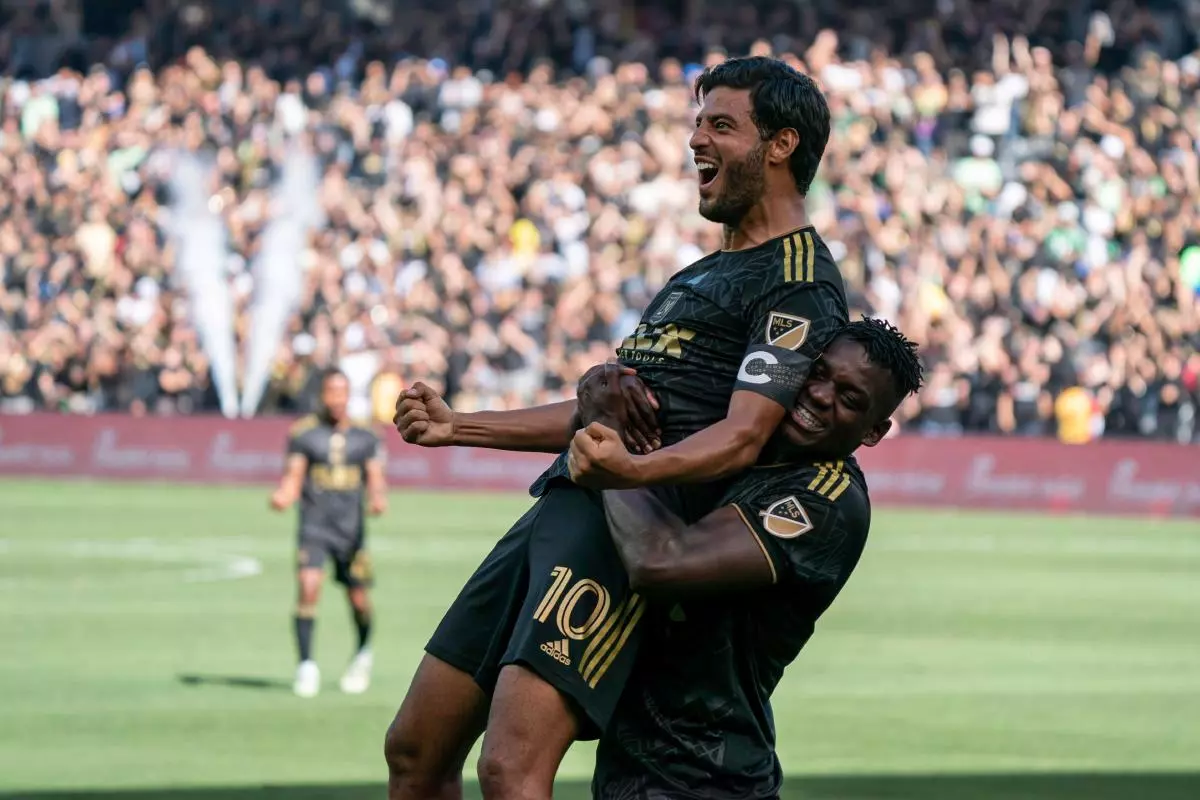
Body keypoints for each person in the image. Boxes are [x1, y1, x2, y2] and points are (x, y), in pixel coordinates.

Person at [386, 56, 843, 800]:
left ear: (782, 145)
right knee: (413, 750)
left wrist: (626, 474)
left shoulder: (799, 280)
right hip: (561, 506)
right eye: (696, 122)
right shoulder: (694, 276)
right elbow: (602, 417)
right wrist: (457, 426)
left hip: (619, 529)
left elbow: (741, 438)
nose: (696, 139)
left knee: (509, 770)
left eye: (721, 125)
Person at [591, 316, 924, 798]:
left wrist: (607, 444)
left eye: (850, 399)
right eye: (817, 373)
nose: (821, 395)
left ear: (874, 431)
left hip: (703, 778)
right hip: (631, 763)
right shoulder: (738, 434)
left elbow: (658, 562)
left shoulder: (827, 500)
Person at [270, 368, 388, 698]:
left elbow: (376, 478)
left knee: (360, 601)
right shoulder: (304, 433)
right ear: (321, 394)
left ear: (349, 395)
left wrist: (378, 499)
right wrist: (284, 495)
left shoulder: (366, 435)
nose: (336, 398)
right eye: (330, 391)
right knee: (308, 588)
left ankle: (363, 653)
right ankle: (306, 665)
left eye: (342, 391)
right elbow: (293, 477)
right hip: (314, 527)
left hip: (351, 532)